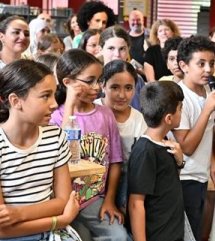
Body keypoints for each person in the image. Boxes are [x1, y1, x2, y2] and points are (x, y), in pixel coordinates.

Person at [0, 60, 80, 240]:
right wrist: (60, 220)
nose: (55, 104)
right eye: (45, 96)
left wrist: (18, 214)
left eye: (54, 95)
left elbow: (62, 202)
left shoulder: (55, 137)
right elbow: (0, 230)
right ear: (16, 101)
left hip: (49, 233)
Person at [50, 49, 130, 240]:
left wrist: (109, 200)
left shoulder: (105, 114)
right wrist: (69, 105)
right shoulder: (55, 116)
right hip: (63, 201)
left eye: (99, 80)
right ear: (67, 82)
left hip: (95, 199)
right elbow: (62, 153)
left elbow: (115, 162)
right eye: (89, 81)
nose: (97, 87)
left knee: (119, 237)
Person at [172, 35, 215, 240]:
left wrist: (211, 162)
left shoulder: (207, 92)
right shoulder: (179, 97)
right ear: (184, 65)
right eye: (200, 64)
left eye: (211, 63)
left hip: (200, 174)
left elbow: (209, 130)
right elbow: (186, 146)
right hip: (184, 178)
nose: (209, 70)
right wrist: (207, 110)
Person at [128, 81, 186, 241]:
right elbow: (136, 203)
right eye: (180, 108)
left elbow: (166, 181)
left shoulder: (165, 143)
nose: (182, 112)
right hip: (158, 233)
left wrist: (180, 162)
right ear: (168, 118)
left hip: (172, 230)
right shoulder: (145, 151)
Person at [96, 60, 148, 212]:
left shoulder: (139, 120)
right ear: (102, 85)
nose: (122, 95)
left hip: (128, 187)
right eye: (115, 87)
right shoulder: (92, 112)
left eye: (128, 88)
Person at [99, 26, 144, 111]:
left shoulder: (138, 80)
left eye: (122, 49)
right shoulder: (94, 80)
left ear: (128, 50)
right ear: (101, 50)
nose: (117, 54)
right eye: (111, 48)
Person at [128, 10, 149, 74]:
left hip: (147, 75)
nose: (136, 22)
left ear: (143, 21)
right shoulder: (124, 37)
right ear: (129, 21)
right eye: (133, 20)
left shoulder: (151, 36)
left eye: (138, 20)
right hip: (129, 73)